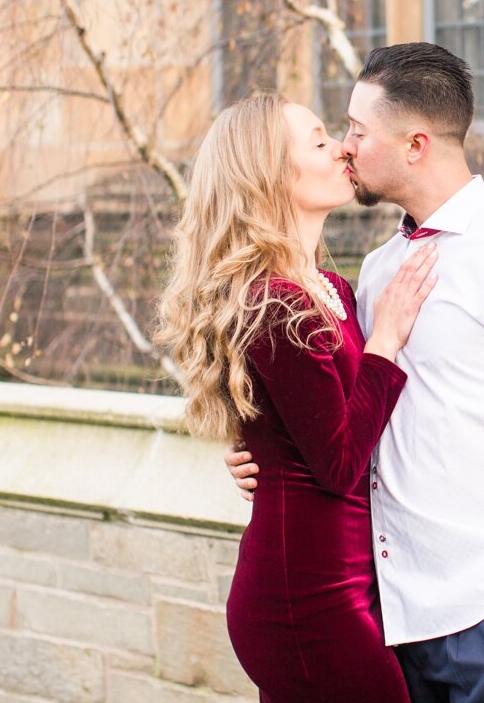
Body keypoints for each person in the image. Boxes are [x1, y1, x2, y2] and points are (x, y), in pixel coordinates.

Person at [227, 44, 484, 703]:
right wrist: (255, 450)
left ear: (415, 145)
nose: (344, 148)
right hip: (388, 612)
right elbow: (337, 411)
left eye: (357, 132)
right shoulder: (372, 273)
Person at [157, 91, 438, 703]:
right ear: (270, 175)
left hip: (349, 580)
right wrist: (385, 341)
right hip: (307, 599)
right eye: (318, 141)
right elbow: (339, 464)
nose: (340, 147)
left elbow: (303, 421)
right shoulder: (275, 303)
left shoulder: (329, 287)